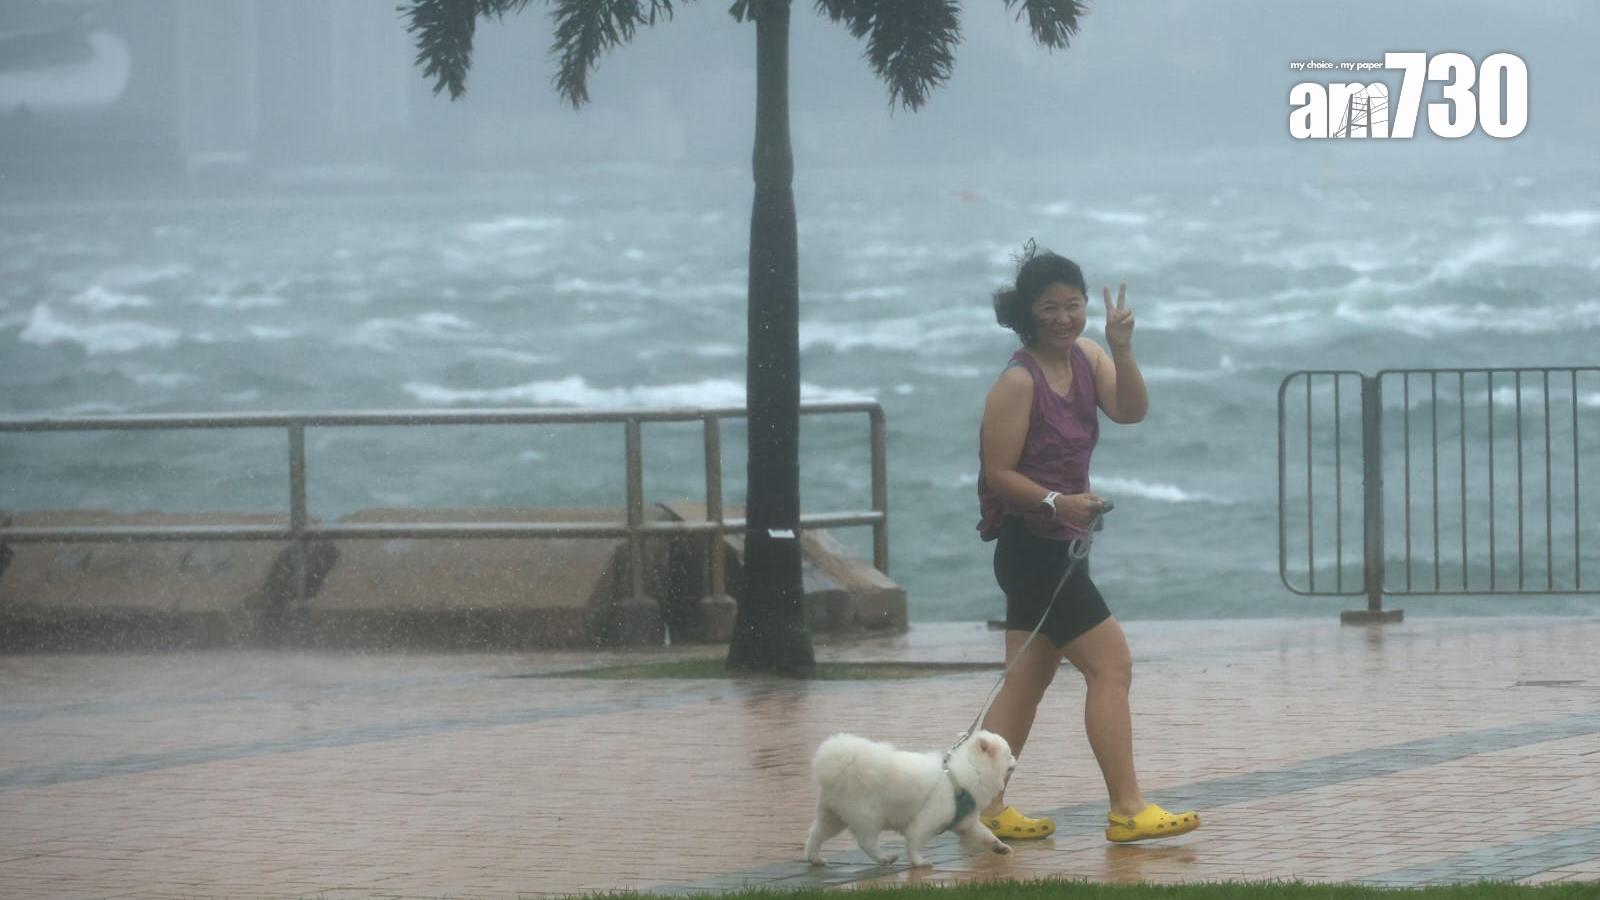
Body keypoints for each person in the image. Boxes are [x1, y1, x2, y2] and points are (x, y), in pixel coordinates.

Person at [974, 242, 1200, 844]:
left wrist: (1122, 348)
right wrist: (1057, 502)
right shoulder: (1016, 383)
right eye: (1050, 308)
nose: (1064, 318)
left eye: (1073, 305)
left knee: (1026, 679)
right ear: (1027, 313)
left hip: (1063, 541)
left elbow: (1130, 410)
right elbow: (998, 474)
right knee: (1112, 666)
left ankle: (985, 808)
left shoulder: (1088, 357)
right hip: (1030, 547)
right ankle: (1127, 808)